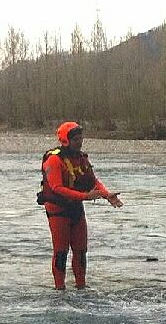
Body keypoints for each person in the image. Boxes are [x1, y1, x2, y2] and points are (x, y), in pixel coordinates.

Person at [37, 122, 123, 290]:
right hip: (57, 210)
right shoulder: (54, 160)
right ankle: (59, 289)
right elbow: (56, 188)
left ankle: (81, 286)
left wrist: (107, 195)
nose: (79, 142)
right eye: (76, 139)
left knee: (81, 250)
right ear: (65, 140)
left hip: (75, 208)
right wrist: (85, 196)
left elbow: (93, 181)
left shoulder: (81, 158)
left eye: (81, 138)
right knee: (61, 252)